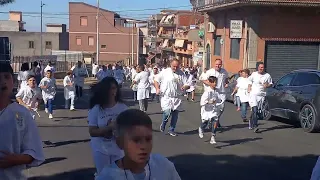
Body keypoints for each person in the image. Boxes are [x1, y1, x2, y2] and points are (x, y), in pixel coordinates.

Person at [96, 109, 181, 180]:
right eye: (136, 140)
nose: (143, 146)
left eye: (148, 139)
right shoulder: (108, 176)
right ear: (119, 142)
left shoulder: (163, 166)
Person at [0, 62, 45, 180]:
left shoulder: (22, 114)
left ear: (13, 81)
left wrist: (16, 159)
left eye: (6, 77)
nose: (2, 81)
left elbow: (34, 152)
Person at [88, 77, 128, 175]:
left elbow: (129, 128)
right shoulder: (96, 109)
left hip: (118, 149)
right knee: (104, 175)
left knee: (119, 175)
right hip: (101, 149)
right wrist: (109, 128)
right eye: (109, 89)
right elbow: (92, 132)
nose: (112, 91)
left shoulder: (123, 108)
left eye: (114, 88)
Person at [154, 59, 190, 137]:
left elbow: (187, 84)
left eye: (177, 66)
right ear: (170, 65)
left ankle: (171, 129)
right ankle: (163, 123)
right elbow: (156, 80)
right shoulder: (165, 72)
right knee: (167, 112)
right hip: (166, 96)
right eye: (174, 66)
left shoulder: (181, 74)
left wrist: (185, 87)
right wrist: (157, 88)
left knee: (175, 114)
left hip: (177, 97)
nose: (175, 68)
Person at [201, 59, 229, 128]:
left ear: (221, 65)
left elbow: (226, 79)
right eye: (216, 64)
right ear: (214, 64)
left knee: (221, 108)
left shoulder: (224, 71)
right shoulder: (210, 72)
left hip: (222, 93)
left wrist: (226, 83)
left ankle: (216, 120)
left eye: (219, 64)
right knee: (213, 107)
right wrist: (210, 84)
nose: (218, 66)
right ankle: (212, 121)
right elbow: (203, 80)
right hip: (213, 92)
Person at [198, 76, 223, 144]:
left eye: (216, 82)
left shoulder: (216, 90)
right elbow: (202, 102)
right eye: (214, 82)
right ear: (210, 83)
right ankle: (201, 128)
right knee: (205, 122)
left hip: (213, 109)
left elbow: (218, 99)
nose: (215, 83)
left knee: (215, 121)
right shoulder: (207, 92)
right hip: (206, 110)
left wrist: (219, 100)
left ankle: (213, 137)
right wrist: (209, 102)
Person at [248, 63, 272, 132]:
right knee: (255, 109)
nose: (261, 69)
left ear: (264, 68)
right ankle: (255, 126)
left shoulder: (267, 75)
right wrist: (249, 87)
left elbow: (270, 84)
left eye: (262, 67)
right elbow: (249, 81)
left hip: (261, 95)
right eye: (260, 67)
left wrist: (267, 85)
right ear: (257, 68)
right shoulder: (254, 74)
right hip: (253, 94)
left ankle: (251, 120)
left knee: (257, 111)